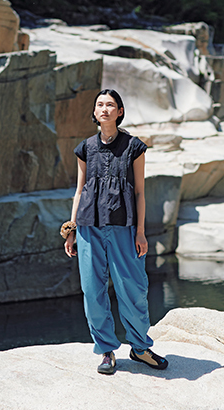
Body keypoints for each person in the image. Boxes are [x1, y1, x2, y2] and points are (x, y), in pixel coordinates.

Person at [61, 89, 168, 375]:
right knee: (93, 290)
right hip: (88, 227)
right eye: (100, 105)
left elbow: (141, 192)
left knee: (132, 287)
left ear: (120, 111)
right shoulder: (85, 148)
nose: (104, 109)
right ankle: (107, 351)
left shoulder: (134, 147)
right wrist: (70, 230)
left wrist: (141, 232)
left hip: (124, 226)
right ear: (94, 112)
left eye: (110, 104)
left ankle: (140, 347)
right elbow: (80, 190)